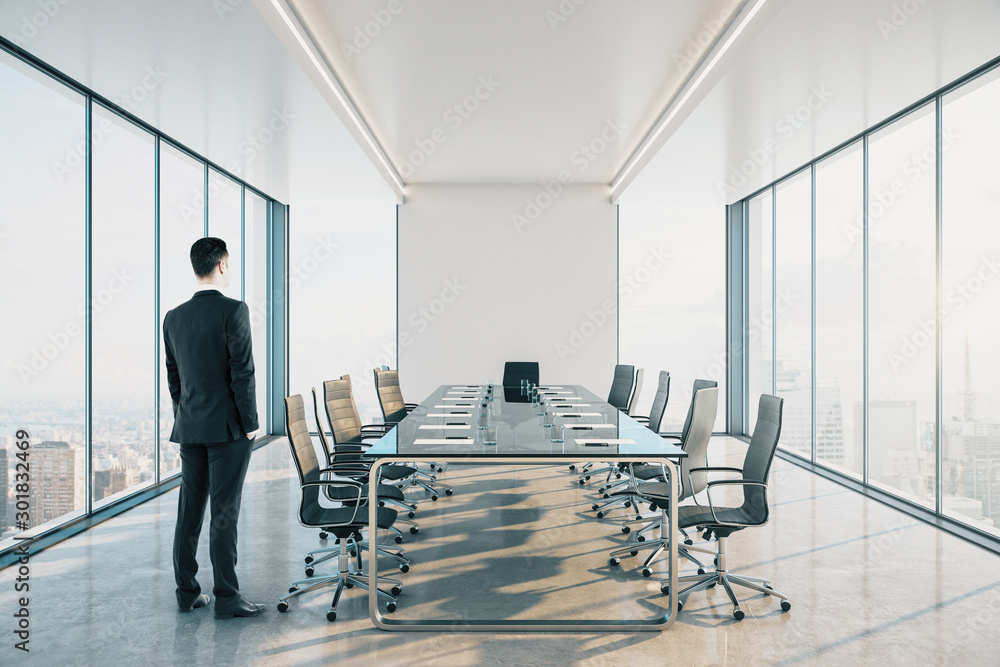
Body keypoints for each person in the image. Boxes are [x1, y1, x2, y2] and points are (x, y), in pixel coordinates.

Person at [164, 237, 266, 618]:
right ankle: (226, 597)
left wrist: (185, 415)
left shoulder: (173, 317)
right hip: (227, 430)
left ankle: (186, 592)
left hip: (189, 427)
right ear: (222, 265)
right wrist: (251, 424)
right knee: (225, 511)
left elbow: (174, 379)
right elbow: (243, 372)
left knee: (189, 511)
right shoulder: (234, 310)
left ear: (196, 267)